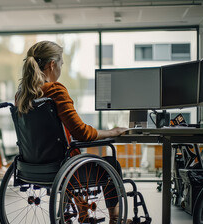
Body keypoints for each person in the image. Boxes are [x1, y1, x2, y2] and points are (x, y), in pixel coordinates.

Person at [15, 40, 128, 224]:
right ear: (52, 65)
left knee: (67, 156)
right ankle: (117, 219)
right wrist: (112, 132)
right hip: (62, 168)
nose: (60, 68)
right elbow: (82, 133)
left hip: (31, 167)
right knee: (111, 163)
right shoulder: (55, 90)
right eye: (60, 64)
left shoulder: (22, 96)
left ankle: (80, 209)